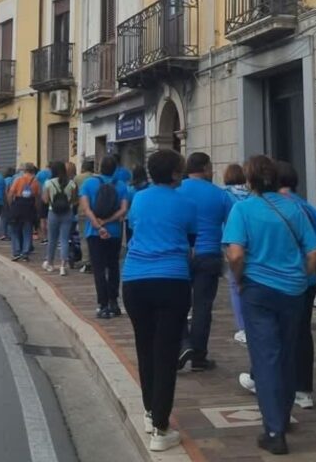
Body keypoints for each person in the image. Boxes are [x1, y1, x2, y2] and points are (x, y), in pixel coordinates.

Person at [223, 156, 316, 456]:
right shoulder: (295, 208)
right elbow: (314, 253)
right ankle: (283, 414)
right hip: (293, 291)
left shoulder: (242, 209)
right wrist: (300, 277)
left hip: (258, 290)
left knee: (266, 357)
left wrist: (239, 280)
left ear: (250, 181)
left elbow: (236, 254)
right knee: (288, 353)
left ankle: (274, 429)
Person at [121, 150, 196, 452]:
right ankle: (161, 429)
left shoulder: (139, 199)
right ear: (176, 174)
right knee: (166, 353)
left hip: (136, 280)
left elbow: (134, 231)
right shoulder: (186, 204)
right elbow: (190, 242)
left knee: (145, 346)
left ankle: (151, 413)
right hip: (172, 280)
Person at [237, 161, 316, 409]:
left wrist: (239, 278)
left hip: (267, 281)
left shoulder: (252, 208)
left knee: (268, 338)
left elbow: (235, 253)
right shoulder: (306, 207)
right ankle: (303, 389)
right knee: (300, 334)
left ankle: (266, 385)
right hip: (301, 283)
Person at [176, 152, 233, 372]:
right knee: (203, 307)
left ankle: (183, 343)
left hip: (182, 254)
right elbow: (232, 226)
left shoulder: (177, 191)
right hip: (209, 255)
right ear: (206, 168)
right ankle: (199, 355)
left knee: (179, 303)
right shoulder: (220, 195)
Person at [80, 156, 130, 319]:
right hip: (114, 232)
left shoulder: (89, 184)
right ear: (115, 168)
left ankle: (102, 304)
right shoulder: (121, 186)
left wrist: (99, 225)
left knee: (99, 269)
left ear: (99, 167)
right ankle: (114, 302)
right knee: (114, 266)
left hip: (94, 233)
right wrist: (108, 222)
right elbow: (123, 210)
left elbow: (86, 209)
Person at [222, 163, 250, 344]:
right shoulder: (251, 194)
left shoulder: (224, 194)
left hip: (232, 242)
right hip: (251, 244)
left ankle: (243, 327)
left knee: (235, 285)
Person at [42, 161, 76, 276]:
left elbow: (45, 200)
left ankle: (50, 263)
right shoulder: (71, 183)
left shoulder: (48, 183)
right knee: (64, 239)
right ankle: (62, 266)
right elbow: (75, 199)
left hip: (53, 212)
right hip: (67, 212)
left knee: (52, 239)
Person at [6, 163, 41, 262]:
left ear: (24, 170)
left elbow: (11, 193)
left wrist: (10, 205)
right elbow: (38, 197)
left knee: (15, 230)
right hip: (29, 206)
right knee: (28, 230)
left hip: (18, 204)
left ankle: (16, 251)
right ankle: (25, 252)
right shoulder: (36, 182)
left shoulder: (18, 180)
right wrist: (37, 208)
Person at [74, 160, 96, 272]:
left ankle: (86, 261)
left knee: (83, 236)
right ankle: (95, 259)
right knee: (94, 236)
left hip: (82, 210)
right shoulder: (97, 177)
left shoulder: (77, 178)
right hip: (96, 211)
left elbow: (74, 194)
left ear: (82, 168)